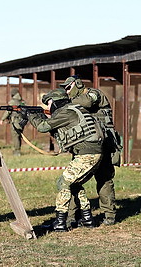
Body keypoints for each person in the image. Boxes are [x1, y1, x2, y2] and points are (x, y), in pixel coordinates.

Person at [26, 88, 104, 232]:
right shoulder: (73, 109)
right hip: (92, 153)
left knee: (63, 182)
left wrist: (30, 115)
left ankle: (60, 222)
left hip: (86, 155)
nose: (48, 107)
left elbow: (43, 126)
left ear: (56, 102)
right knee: (74, 184)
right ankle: (87, 219)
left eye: (49, 103)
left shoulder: (66, 112)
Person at [60, 75, 121, 226]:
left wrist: (65, 104)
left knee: (104, 180)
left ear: (78, 84)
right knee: (73, 180)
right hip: (86, 146)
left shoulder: (94, 94)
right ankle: (72, 217)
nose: (67, 92)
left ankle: (109, 216)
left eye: (68, 88)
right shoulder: (75, 105)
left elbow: (87, 102)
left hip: (105, 145)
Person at [0, 88, 27, 156]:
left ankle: (17, 152)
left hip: (15, 122)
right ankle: (18, 150)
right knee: (19, 136)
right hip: (22, 122)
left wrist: (2, 119)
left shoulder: (12, 102)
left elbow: (8, 111)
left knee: (15, 137)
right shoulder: (22, 102)